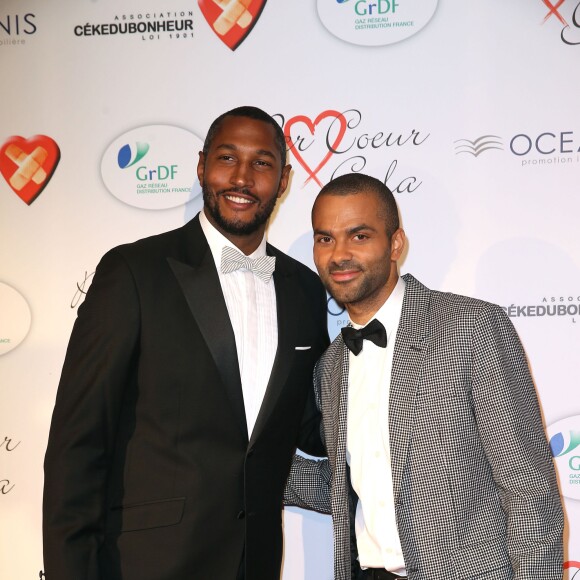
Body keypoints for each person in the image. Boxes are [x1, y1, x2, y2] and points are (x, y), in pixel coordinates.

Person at [43, 106, 329, 580]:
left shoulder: (302, 289)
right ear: (201, 167)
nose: (242, 177)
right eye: (226, 158)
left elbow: (308, 424)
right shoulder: (134, 272)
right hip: (145, 564)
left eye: (262, 163)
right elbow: (78, 444)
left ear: (283, 181)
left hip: (253, 563)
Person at [285, 173, 564, 580]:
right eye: (325, 238)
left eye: (359, 236)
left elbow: (528, 490)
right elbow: (351, 486)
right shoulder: (331, 365)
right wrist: (244, 462)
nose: (339, 254)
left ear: (395, 243)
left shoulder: (471, 328)